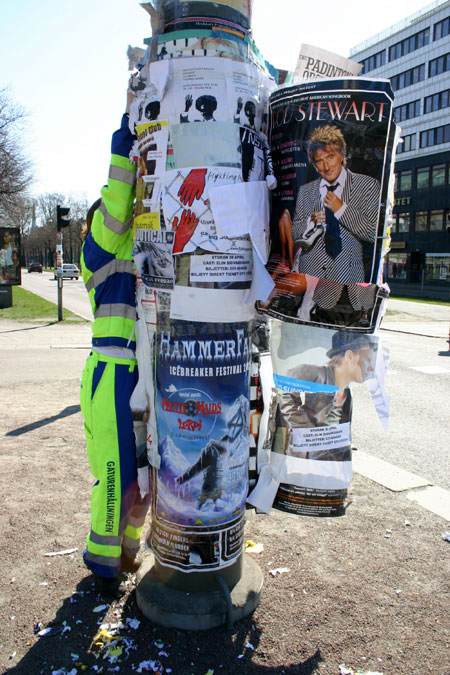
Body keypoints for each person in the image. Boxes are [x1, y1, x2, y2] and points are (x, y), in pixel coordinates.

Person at [80, 111, 150, 597]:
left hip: (138, 374)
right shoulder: (98, 248)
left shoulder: (134, 249)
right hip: (111, 374)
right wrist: (124, 139)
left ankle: (127, 551)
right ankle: (102, 565)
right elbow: (120, 202)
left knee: (141, 479)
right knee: (114, 473)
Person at [278, 125, 380, 285]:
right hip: (310, 278)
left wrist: (341, 210)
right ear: (314, 164)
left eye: (330, 157)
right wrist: (310, 221)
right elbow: (295, 234)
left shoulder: (366, 185)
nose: (326, 167)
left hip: (348, 277)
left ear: (342, 154)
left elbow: (373, 232)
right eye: (319, 161)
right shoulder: (306, 191)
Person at [274, 332, 377, 460]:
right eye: (368, 359)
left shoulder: (346, 391)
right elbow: (285, 393)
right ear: (349, 356)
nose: (371, 368)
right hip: (304, 457)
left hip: (330, 458)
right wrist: (307, 430)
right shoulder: (311, 373)